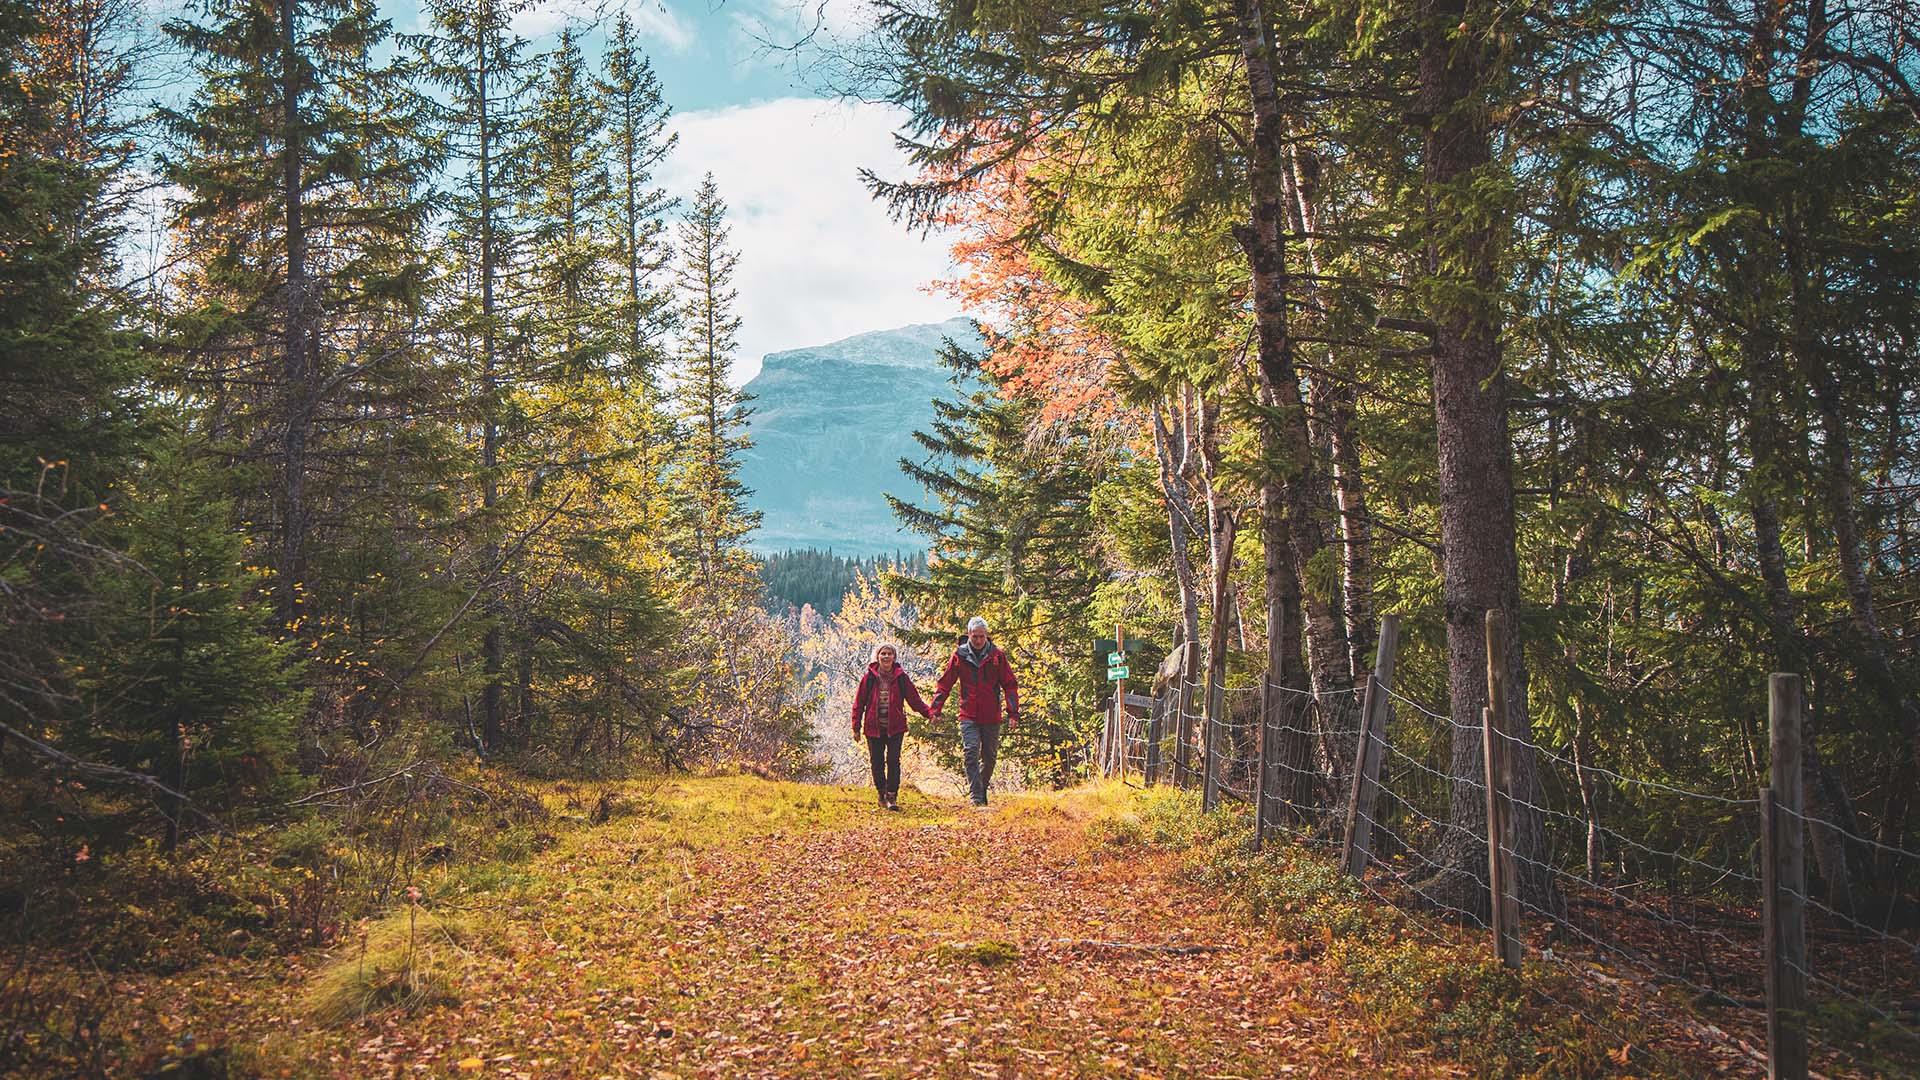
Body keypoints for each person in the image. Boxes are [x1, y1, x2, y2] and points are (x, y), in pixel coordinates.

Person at [930, 616, 1021, 809]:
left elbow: (1010, 685)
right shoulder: (959, 656)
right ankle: (976, 796)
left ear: (987, 636)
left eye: (981, 637)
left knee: (990, 757)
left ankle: (981, 789)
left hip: (991, 715)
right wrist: (935, 709)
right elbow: (945, 683)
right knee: (971, 752)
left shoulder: (997, 656)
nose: (978, 640)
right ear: (968, 635)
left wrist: (1013, 713)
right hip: (968, 714)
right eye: (975, 636)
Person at [851, 643, 931, 811]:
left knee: (894, 761)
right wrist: (856, 727)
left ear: (894, 657)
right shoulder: (869, 678)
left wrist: (929, 714)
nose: (886, 657)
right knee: (876, 762)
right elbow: (859, 703)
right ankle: (881, 794)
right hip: (873, 728)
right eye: (883, 654)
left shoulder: (901, 677)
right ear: (877, 657)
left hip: (895, 728)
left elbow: (914, 700)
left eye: (889, 654)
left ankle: (892, 796)